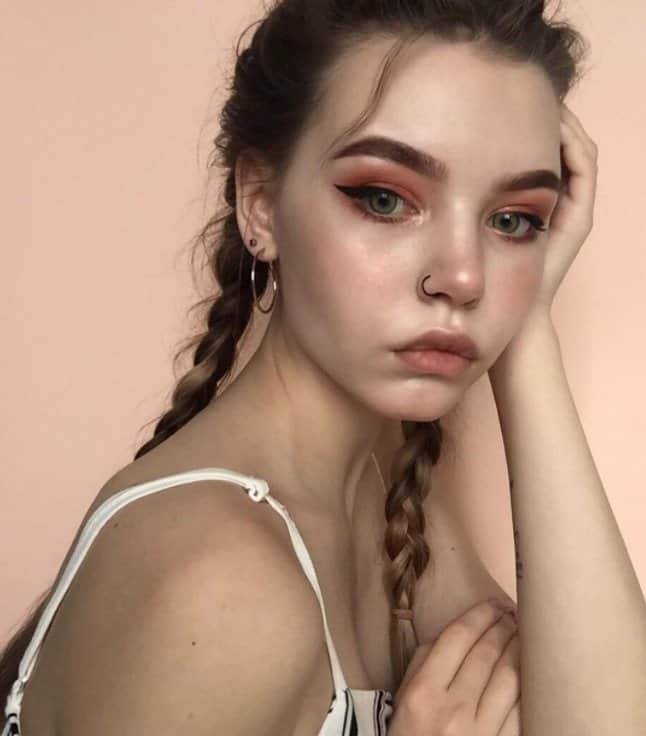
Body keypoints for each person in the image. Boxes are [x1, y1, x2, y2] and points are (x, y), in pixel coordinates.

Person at [4, 1, 645, 734]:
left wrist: (526, 321)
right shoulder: (223, 582)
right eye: (386, 199)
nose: (464, 276)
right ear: (260, 205)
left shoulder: (387, 491)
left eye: (512, 218)